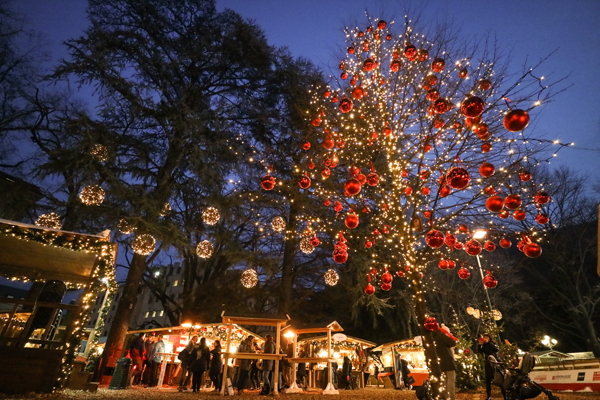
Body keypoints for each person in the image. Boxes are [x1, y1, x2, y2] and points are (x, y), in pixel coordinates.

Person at [431, 320, 457, 400]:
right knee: (450, 381)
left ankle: (445, 397)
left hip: (438, 363)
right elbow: (453, 343)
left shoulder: (431, 337)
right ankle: (452, 398)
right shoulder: (441, 335)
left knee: (443, 382)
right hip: (448, 361)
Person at [478, 333, 504, 400]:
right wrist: (480, 345)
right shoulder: (483, 345)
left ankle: (504, 395)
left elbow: (496, 349)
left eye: (487, 337)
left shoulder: (492, 344)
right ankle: (489, 395)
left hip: (495, 363)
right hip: (488, 364)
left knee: (500, 379)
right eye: (484, 337)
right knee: (488, 380)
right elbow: (480, 351)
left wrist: (488, 343)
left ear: (489, 338)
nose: (485, 338)